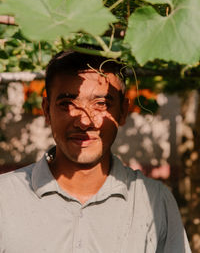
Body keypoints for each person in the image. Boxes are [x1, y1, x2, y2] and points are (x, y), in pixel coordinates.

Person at [0, 49, 191, 253]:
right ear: (47, 110)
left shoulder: (154, 200)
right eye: (68, 104)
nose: (84, 121)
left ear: (123, 112)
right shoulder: (4, 198)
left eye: (101, 104)